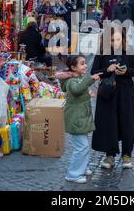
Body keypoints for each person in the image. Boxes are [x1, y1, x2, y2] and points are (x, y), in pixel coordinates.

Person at [91, 27, 134, 169]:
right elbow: (94, 72)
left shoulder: (128, 51)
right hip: (108, 93)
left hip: (125, 91)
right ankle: (110, 155)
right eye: (112, 40)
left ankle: (127, 154)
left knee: (127, 122)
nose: (115, 43)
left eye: (118, 39)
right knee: (108, 123)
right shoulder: (102, 53)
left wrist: (126, 71)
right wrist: (107, 70)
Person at [57, 56, 101, 184]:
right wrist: (91, 79)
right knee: (82, 147)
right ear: (73, 68)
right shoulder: (72, 81)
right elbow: (76, 90)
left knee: (84, 146)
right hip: (76, 119)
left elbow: (81, 91)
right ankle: (73, 174)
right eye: (82, 64)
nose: (85, 65)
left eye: (85, 63)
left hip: (81, 117)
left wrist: (89, 93)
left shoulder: (77, 78)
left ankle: (83, 166)